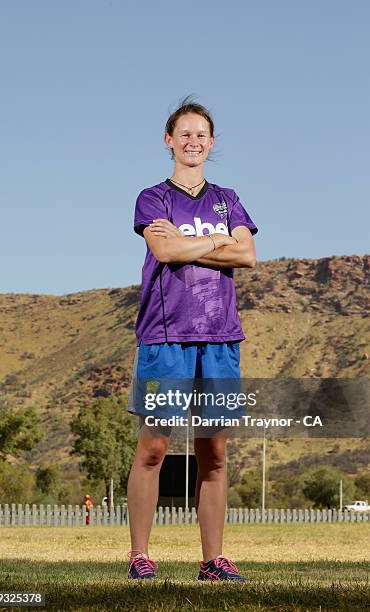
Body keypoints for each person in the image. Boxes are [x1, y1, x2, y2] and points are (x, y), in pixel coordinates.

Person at [126, 96, 258, 581]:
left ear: (212, 142)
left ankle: (212, 561)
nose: (193, 142)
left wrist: (190, 245)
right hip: (165, 337)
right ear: (169, 141)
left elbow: (247, 256)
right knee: (155, 448)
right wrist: (218, 241)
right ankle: (140, 555)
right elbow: (162, 248)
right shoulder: (153, 198)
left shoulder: (228, 198)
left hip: (220, 338)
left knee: (215, 452)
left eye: (201, 134)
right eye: (184, 134)